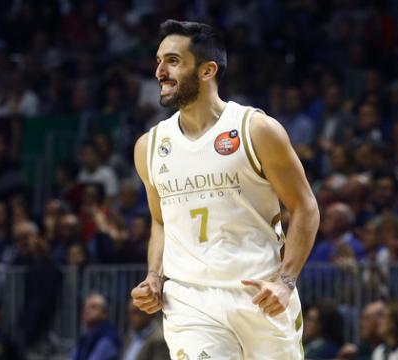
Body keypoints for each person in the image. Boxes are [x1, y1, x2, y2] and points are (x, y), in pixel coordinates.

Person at [130, 20, 319, 359]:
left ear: (207, 70)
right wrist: (154, 277)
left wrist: (285, 282)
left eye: (172, 61)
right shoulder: (150, 146)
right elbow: (160, 222)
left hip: (259, 294)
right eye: (158, 61)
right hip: (191, 301)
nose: (160, 71)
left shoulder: (256, 129)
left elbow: (306, 207)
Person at [71, 293, 121, 360]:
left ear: (104, 313)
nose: (87, 310)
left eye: (93, 307)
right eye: (85, 306)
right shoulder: (85, 337)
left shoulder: (108, 338)